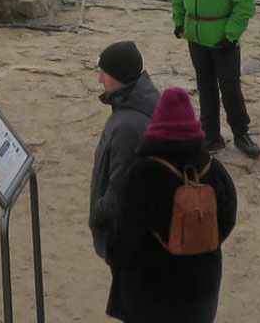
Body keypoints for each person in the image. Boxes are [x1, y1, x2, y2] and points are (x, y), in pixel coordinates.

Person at [105, 86, 238, 323]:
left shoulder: (141, 174)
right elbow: (227, 220)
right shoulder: (214, 170)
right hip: (202, 286)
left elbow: (123, 236)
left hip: (151, 288)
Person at [169, 0, 259, 157]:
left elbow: (245, 4)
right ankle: (211, 136)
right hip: (196, 36)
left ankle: (241, 133)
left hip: (223, 40)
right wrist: (179, 21)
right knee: (205, 87)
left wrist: (231, 35)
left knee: (230, 88)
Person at [89, 40, 161, 318]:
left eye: (103, 72)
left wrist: (99, 217)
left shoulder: (128, 126)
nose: (99, 78)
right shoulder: (141, 106)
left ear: (117, 75)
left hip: (130, 241)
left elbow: (120, 189)